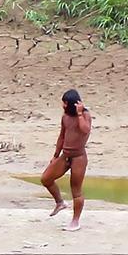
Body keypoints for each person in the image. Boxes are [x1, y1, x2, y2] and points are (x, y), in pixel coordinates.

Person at [40, 88, 92, 231]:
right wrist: (55, 155)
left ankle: (75, 220)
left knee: (76, 190)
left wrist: (80, 113)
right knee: (46, 178)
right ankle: (60, 202)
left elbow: (85, 129)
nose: (62, 106)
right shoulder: (65, 116)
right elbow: (62, 136)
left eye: (64, 103)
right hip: (66, 155)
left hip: (79, 157)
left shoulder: (85, 115)